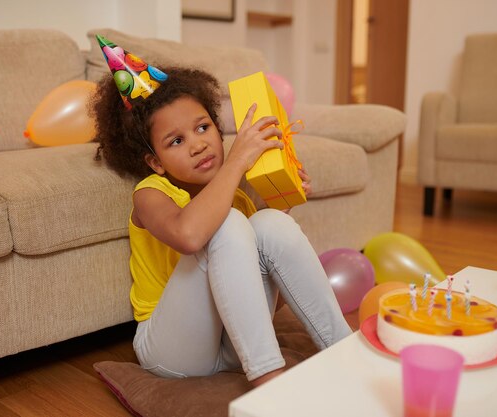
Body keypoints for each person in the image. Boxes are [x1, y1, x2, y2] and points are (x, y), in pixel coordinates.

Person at [91, 35, 352, 387]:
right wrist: (240, 161)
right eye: (177, 141)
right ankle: (269, 382)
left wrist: (284, 199)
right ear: (156, 162)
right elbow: (189, 235)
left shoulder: (239, 200)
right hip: (171, 350)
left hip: (231, 344)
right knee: (226, 222)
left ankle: (344, 351)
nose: (198, 144)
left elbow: (258, 306)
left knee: (270, 221)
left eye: (203, 127)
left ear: (217, 128)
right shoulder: (150, 194)